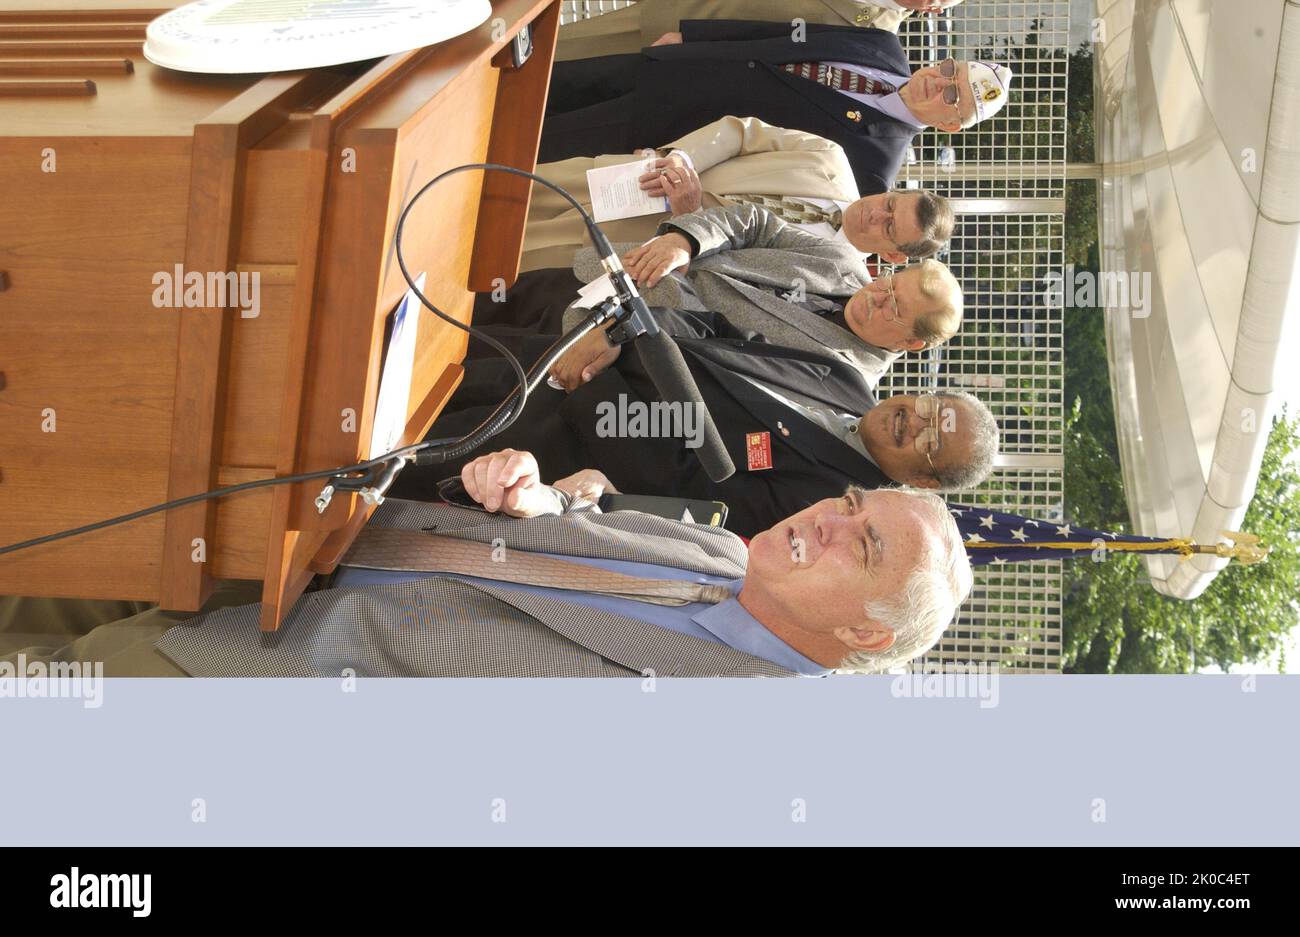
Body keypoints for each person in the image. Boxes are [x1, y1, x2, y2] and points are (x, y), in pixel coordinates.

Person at [0, 449, 972, 677]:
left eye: (862, 545)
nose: (828, 520)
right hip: (315, 543)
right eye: (852, 504)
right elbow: (576, 538)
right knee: (37, 585)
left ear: (865, 631)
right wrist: (536, 497)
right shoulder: (723, 549)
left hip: (274, 672)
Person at [397, 305, 999, 538]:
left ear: (923, 482)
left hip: (542, 446)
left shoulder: (827, 504)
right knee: (397, 352)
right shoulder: (845, 379)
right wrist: (619, 333)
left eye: (931, 441)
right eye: (932, 408)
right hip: (559, 354)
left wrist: (596, 384)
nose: (915, 420)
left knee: (380, 441)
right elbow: (718, 332)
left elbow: (682, 492)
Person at [478, 202, 962, 389]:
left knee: (471, 364)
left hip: (605, 349)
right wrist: (684, 241)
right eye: (889, 283)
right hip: (616, 273)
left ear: (910, 343)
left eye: (895, 307)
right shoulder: (843, 262)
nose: (877, 295)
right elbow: (755, 223)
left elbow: (718, 377)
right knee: (471, 299)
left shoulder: (843, 379)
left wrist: (624, 335)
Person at [540, 20, 1014, 194]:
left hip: (669, 125)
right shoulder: (884, 45)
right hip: (676, 66)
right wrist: (696, 36)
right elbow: (788, 33)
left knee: (540, 138)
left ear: (950, 125)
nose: (939, 81)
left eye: (952, 95)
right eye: (950, 69)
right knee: (545, 83)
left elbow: (764, 171)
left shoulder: (875, 166)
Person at [523, 114, 954, 272]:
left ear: (892, 256)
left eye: (889, 227)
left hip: (627, 247)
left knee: (508, 253)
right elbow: (741, 132)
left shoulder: (830, 274)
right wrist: (680, 159)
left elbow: (728, 286)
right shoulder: (830, 157)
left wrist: (691, 221)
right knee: (510, 187)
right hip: (633, 183)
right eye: (889, 204)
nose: (876, 214)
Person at [553, 0, 965, 62]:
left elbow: (778, 50)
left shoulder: (873, 40)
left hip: (688, 47)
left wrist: (697, 43)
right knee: (560, 45)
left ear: (931, 9)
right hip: (681, 8)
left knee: (557, 79)